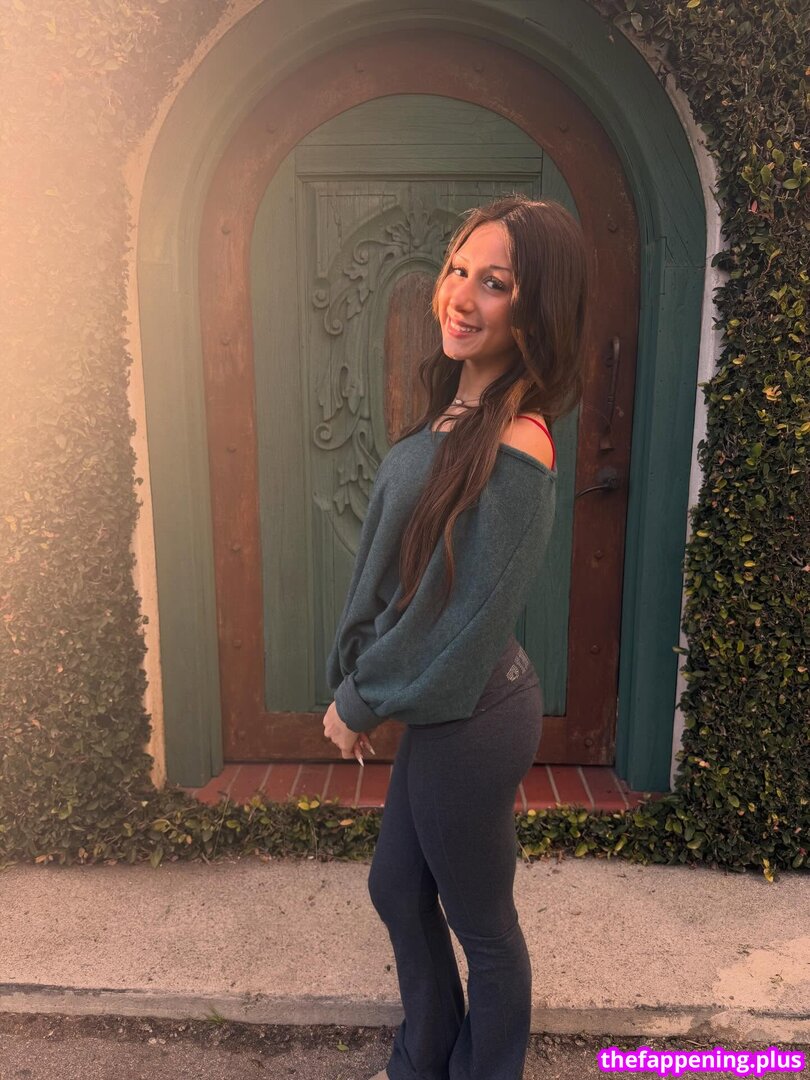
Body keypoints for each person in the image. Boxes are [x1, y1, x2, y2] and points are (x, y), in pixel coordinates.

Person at [322, 194, 589, 1080]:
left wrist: (363, 696)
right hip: (446, 697)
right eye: (457, 270)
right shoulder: (456, 410)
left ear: (536, 308)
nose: (461, 297)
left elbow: (461, 615)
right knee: (397, 888)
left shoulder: (519, 441)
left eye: (495, 283)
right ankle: (423, 1059)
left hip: (475, 709)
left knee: (485, 927)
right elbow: (410, 578)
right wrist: (365, 677)